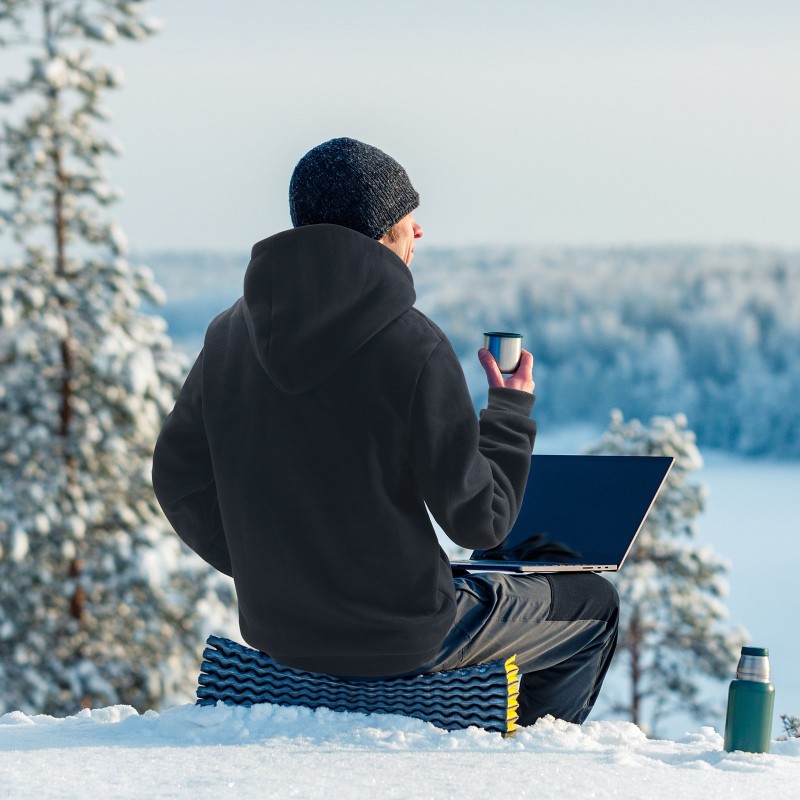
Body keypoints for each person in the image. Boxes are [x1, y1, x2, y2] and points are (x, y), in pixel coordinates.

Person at [152, 137, 618, 725]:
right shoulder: (412, 344)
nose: (418, 232)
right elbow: (480, 521)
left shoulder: (227, 335)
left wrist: (269, 570)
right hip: (404, 638)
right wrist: (509, 414)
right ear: (377, 230)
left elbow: (177, 478)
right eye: (407, 217)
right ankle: (521, 759)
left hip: (279, 630)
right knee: (593, 605)